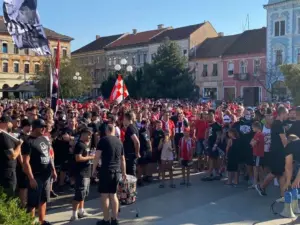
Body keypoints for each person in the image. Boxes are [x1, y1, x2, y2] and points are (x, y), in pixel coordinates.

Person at [22, 119, 57, 225]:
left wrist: (53, 169)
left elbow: (49, 155)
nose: (44, 129)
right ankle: (30, 223)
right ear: (35, 127)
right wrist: (31, 178)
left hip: (46, 175)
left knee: (43, 200)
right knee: (32, 203)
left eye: (45, 127)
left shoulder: (44, 139)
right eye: (42, 127)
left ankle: (42, 222)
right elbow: (25, 162)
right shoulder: (28, 142)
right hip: (36, 176)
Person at [93, 124, 127, 225]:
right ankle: (115, 219)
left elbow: (97, 156)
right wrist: (124, 172)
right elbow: (122, 159)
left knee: (105, 196)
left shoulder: (103, 140)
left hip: (106, 171)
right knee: (114, 195)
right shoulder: (119, 142)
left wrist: (93, 169)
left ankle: (106, 220)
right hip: (116, 171)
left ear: (107, 130)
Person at [255, 106, 289, 199]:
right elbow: (284, 140)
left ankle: (282, 195)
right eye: (286, 113)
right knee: (275, 172)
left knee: (280, 173)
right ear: (282, 113)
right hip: (277, 152)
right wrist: (290, 149)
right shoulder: (278, 125)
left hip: (277, 151)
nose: (288, 115)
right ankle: (261, 187)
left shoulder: (277, 124)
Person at [70, 128, 94, 221]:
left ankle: (81, 211)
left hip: (87, 172)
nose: (89, 136)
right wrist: (90, 157)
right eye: (88, 134)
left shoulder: (85, 145)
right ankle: (74, 214)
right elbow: (78, 158)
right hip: (81, 173)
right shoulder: (80, 145)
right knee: (79, 194)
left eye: (90, 135)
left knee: (83, 194)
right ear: (83, 134)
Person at [0, 115, 22, 197]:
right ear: (7, 123)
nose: (12, 125)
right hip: (7, 174)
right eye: (11, 123)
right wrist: (19, 145)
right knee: (8, 197)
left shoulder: (6, 135)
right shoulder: (4, 137)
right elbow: (12, 156)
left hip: (5, 171)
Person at [202, 112, 222, 181]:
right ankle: (216, 174)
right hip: (210, 144)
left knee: (212, 159)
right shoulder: (209, 125)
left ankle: (210, 174)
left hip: (214, 145)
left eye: (209, 117)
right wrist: (206, 141)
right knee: (213, 159)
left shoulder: (217, 125)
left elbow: (219, 136)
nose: (208, 118)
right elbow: (208, 134)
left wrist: (215, 145)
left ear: (212, 116)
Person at [123, 111, 140, 176]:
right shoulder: (134, 126)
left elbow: (137, 142)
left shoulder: (130, 128)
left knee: (131, 174)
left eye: (124, 119)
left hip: (130, 155)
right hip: (131, 154)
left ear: (127, 119)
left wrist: (137, 152)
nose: (123, 120)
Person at [137, 120, 152, 186]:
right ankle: (139, 179)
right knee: (140, 165)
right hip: (142, 150)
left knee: (146, 164)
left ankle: (145, 176)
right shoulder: (140, 132)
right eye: (145, 124)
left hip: (147, 150)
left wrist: (150, 148)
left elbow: (149, 140)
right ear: (142, 124)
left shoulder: (147, 131)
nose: (146, 125)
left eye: (147, 124)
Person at [250, 121, 264, 188]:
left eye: (253, 127)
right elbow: (251, 142)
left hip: (258, 154)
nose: (252, 129)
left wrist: (253, 141)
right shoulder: (257, 134)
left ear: (256, 127)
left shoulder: (259, 134)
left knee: (256, 168)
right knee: (258, 168)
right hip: (256, 153)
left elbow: (253, 143)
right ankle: (261, 183)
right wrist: (252, 141)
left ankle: (255, 183)